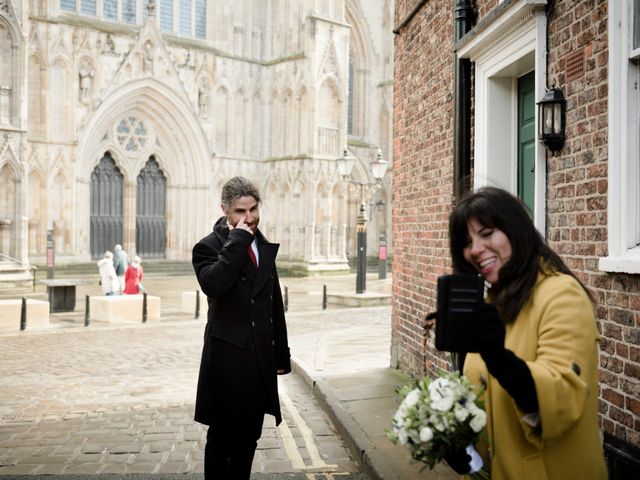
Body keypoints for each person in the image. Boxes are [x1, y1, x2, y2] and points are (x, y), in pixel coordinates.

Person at [444, 187, 606, 479]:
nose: (476, 249)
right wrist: (459, 443)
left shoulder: (561, 296)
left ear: (515, 231)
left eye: (487, 233)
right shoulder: (492, 303)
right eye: (467, 241)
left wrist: (499, 359)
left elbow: (561, 398)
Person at [192, 176, 291, 479]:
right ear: (225, 210)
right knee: (222, 439)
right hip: (226, 360)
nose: (249, 218)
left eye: (253, 209)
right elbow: (214, 285)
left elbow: (273, 304)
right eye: (240, 212)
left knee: (249, 437)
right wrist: (238, 240)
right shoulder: (207, 247)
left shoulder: (263, 245)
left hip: (258, 359)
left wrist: (281, 355)